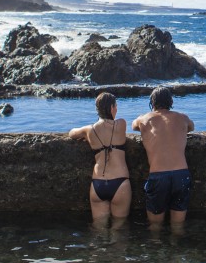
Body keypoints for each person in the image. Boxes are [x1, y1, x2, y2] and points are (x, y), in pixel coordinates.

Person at [132, 86, 195, 228]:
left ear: (152, 103)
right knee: (178, 226)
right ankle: (175, 246)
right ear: (170, 101)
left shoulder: (144, 119)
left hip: (158, 176)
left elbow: (134, 126)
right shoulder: (182, 117)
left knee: (155, 226)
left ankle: (156, 247)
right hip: (181, 175)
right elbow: (191, 127)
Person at [68, 92, 132, 227]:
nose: (117, 109)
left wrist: (85, 134)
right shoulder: (121, 124)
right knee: (119, 230)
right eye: (115, 106)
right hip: (120, 184)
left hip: (98, 184)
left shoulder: (89, 130)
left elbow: (71, 133)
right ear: (111, 108)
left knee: (98, 230)